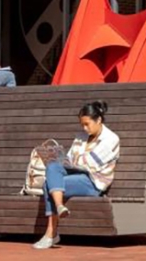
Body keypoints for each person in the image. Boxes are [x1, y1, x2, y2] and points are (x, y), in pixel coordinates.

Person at [33, 101, 120, 250]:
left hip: (93, 182)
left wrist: (71, 161)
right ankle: (60, 206)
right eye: (82, 125)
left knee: (49, 184)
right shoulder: (81, 136)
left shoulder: (111, 139)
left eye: (87, 124)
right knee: (53, 165)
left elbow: (90, 163)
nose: (84, 128)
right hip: (76, 174)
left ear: (98, 120)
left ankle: (51, 233)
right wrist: (61, 159)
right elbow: (71, 159)